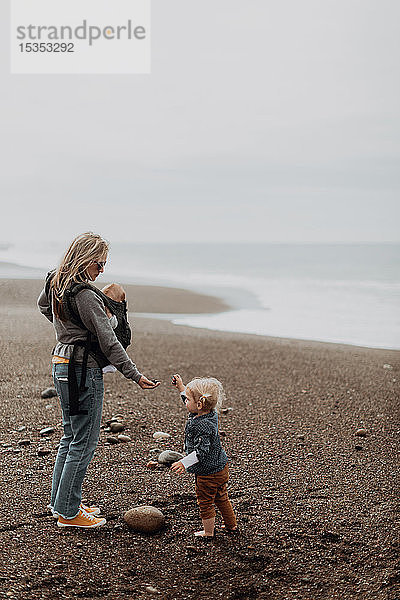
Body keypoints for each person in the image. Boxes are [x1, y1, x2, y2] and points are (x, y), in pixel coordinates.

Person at [37, 232, 160, 529]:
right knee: (84, 440)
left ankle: (62, 503)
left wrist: (68, 327)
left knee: (70, 436)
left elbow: (43, 307)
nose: (102, 270)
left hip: (61, 362)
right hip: (82, 370)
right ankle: (68, 513)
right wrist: (134, 374)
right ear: (85, 259)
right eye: (99, 263)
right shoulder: (87, 295)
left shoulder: (57, 283)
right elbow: (109, 342)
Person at [170, 374, 237, 537]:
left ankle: (208, 532)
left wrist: (185, 462)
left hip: (208, 473)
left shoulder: (202, 426)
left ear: (199, 404)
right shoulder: (208, 412)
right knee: (221, 497)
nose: (185, 401)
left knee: (205, 502)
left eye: (187, 399)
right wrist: (181, 387)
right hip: (220, 467)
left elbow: (201, 452)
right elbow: (191, 403)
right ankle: (231, 525)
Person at [100, 283, 127, 374]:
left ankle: (112, 364)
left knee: (114, 346)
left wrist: (108, 313)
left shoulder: (116, 313)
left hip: (117, 337)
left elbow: (114, 324)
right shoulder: (104, 306)